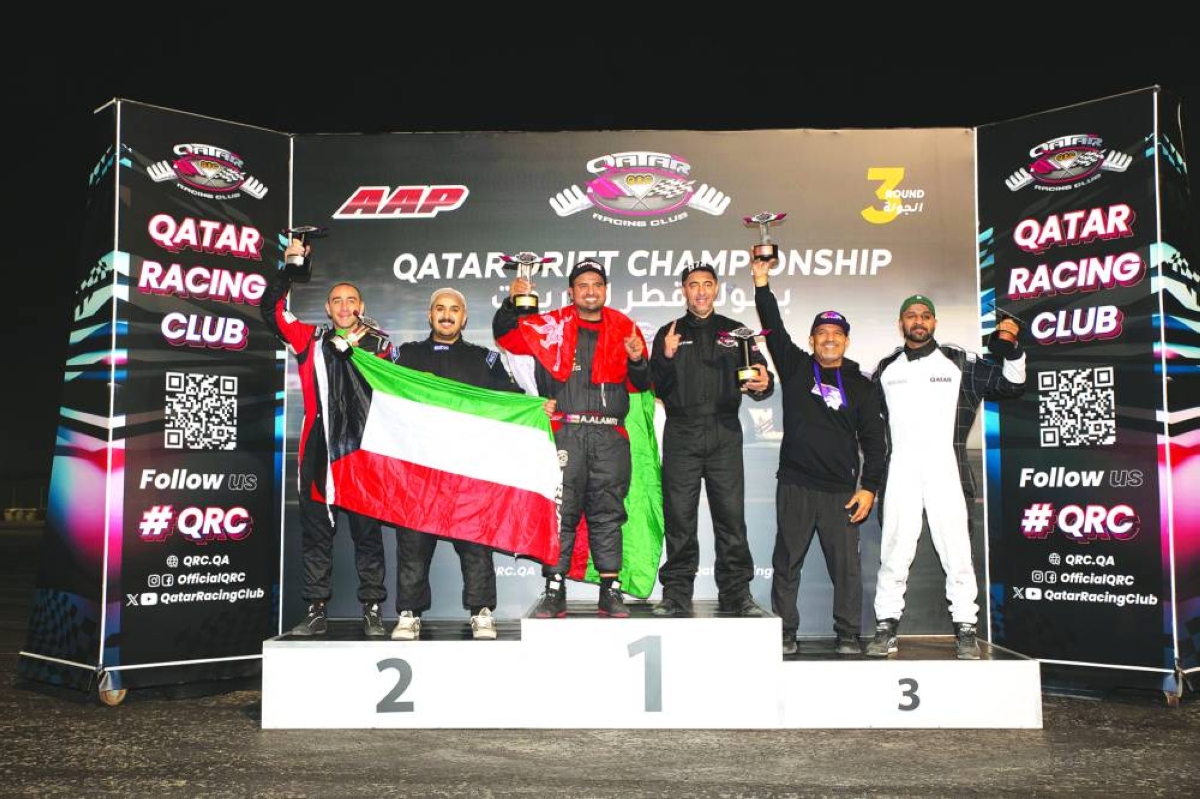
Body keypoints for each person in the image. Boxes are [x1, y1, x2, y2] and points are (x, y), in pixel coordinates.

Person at [866, 294, 1025, 659]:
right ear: (901, 323)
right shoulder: (887, 367)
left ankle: (966, 628)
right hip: (901, 470)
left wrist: (1012, 346)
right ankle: (886, 625)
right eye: (911, 316)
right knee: (894, 551)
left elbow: (1012, 385)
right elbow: (867, 423)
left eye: (925, 316)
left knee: (957, 551)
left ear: (934, 323)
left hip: (946, 469)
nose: (918, 321)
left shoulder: (960, 362)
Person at [493, 260, 651, 618]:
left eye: (597, 284)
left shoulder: (625, 326)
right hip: (566, 432)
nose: (591, 290)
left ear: (605, 290)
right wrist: (509, 303)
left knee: (608, 513)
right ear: (571, 291)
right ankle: (554, 589)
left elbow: (641, 383)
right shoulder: (552, 324)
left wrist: (639, 360)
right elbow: (507, 336)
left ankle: (611, 591)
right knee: (561, 513)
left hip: (610, 434)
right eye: (583, 285)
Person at [751, 257, 886, 655]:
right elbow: (771, 324)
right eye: (822, 333)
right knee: (787, 563)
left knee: (846, 571)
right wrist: (762, 280)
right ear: (811, 340)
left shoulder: (861, 387)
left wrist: (870, 489)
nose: (829, 339)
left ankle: (847, 634)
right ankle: (785, 633)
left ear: (846, 341)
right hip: (795, 485)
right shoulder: (795, 368)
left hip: (841, 492)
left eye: (836, 334)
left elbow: (876, 444)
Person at [262, 239, 393, 638]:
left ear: (361, 307)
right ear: (327, 308)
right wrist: (289, 268)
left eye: (351, 300)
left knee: (368, 535)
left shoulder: (382, 344)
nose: (343, 306)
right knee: (317, 535)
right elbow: (270, 311)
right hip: (318, 447)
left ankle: (372, 608)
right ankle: (316, 611)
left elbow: (399, 394)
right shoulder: (308, 339)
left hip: (363, 448)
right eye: (336, 300)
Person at [390, 287, 523, 641]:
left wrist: (536, 409)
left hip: (467, 471)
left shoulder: (485, 359)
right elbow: (378, 391)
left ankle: (481, 612)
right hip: (420, 471)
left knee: (476, 545)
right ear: (429, 315)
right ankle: (409, 613)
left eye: (454, 310)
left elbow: (513, 402)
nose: (446, 315)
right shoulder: (404, 356)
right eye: (439, 309)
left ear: (464, 318)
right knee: (413, 545)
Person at [649, 263, 773, 618]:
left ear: (716, 289)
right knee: (679, 519)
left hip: (724, 432)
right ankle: (675, 594)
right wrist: (667, 357)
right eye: (693, 285)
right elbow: (654, 386)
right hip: (681, 432)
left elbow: (761, 382)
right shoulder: (668, 333)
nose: (700, 291)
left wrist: (765, 384)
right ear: (683, 291)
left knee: (731, 518)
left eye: (707, 284)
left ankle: (737, 594)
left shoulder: (737, 332)